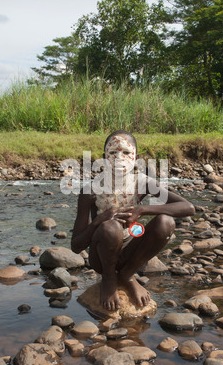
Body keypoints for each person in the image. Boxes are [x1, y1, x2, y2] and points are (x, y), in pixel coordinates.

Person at [71, 130, 195, 311]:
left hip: (132, 254)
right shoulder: (90, 190)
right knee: (111, 227)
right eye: (113, 153)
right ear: (104, 157)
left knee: (166, 222)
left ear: (136, 157)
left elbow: (188, 208)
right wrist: (99, 220)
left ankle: (127, 275)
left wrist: (142, 209)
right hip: (101, 257)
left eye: (127, 153)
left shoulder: (141, 183)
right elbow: (75, 246)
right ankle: (109, 278)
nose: (120, 158)